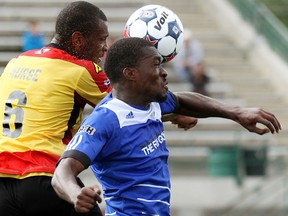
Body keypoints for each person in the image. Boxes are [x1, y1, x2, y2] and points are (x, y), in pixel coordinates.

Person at [0, 2, 197, 215]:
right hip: (44, 177)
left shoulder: (17, 62)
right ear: (78, 40)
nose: (105, 47)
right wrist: (177, 114)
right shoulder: (83, 69)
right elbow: (131, 102)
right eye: (101, 39)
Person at [51, 37, 281, 216]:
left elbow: (182, 100)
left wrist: (236, 113)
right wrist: (76, 194)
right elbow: (62, 171)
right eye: (155, 65)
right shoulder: (105, 120)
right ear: (130, 73)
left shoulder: (151, 103)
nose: (163, 72)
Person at [173, 28, 210, 95]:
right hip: (182, 66)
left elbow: (199, 57)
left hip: (192, 66)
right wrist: (184, 63)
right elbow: (176, 60)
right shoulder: (179, 46)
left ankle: (196, 83)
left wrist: (189, 62)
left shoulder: (196, 45)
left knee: (198, 68)